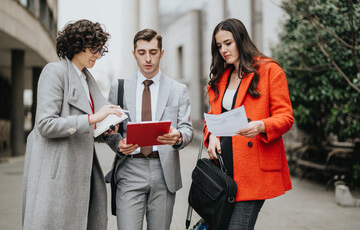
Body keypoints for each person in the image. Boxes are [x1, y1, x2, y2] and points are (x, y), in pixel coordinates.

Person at [22, 19, 123, 230]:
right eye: (93, 48)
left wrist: (105, 129)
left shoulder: (87, 79)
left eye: (100, 49)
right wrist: (92, 119)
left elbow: (87, 126)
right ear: (77, 45)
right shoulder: (54, 72)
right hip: (59, 172)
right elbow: (45, 124)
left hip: (84, 169)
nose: (97, 54)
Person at [204, 18, 294, 230]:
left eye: (228, 43)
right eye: (219, 46)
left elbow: (286, 117)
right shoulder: (221, 77)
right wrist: (212, 136)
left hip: (252, 170)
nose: (224, 50)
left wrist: (261, 125)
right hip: (224, 171)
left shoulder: (269, 70)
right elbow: (212, 118)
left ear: (240, 39)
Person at [107, 28, 193, 230]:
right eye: (142, 52)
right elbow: (109, 131)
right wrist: (117, 143)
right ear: (134, 53)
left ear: (161, 54)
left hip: (164, 173)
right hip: (129, 170)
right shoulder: (118, 88)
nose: (148, 59)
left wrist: (179, 136)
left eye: (153, 52)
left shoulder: (177, 89)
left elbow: (187, 129)